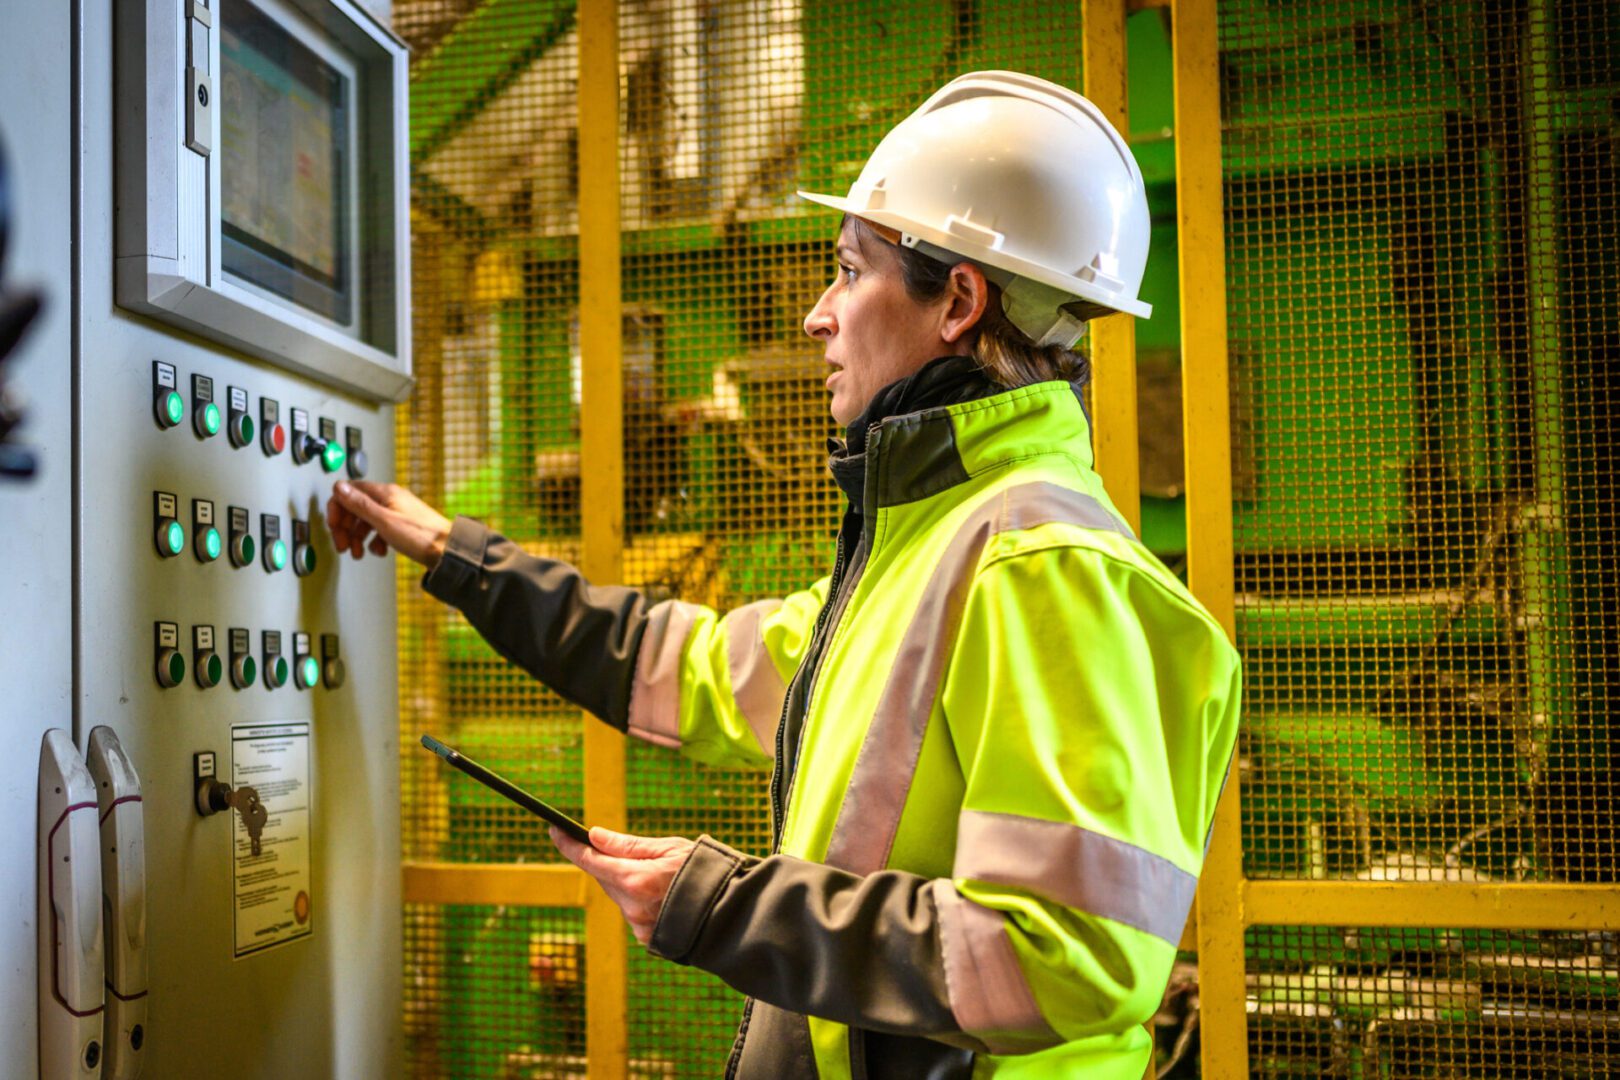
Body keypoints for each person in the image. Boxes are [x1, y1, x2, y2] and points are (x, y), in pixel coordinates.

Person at [329, 71, 1241, 1080]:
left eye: (849, 271)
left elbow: (1064, 955)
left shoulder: (1045, 568)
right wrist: (461, 559)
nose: (818, 315)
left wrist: (729, 904)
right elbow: (702, 667)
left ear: (960, 301)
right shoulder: (935, 544)